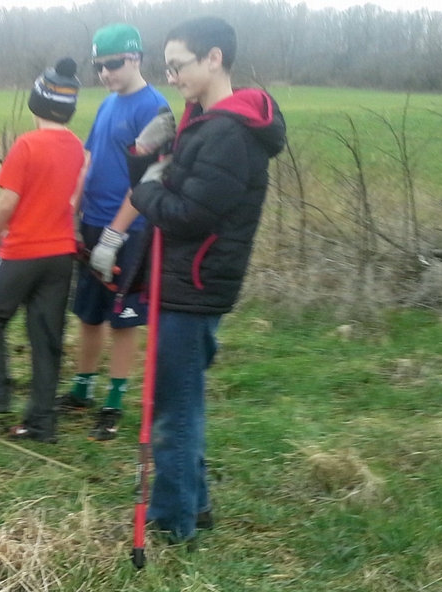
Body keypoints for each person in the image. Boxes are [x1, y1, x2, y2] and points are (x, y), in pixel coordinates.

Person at [129, 17, 286, 543]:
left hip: (192, 286)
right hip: (187, 280)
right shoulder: (205, 120)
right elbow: (176, 189)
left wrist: (143, 187)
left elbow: (188, 213)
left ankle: (173, 523)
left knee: (174, 410)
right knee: (183, 399)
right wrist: (148, 161)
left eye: (179, 65)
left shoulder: (228, 132)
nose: (171, 76)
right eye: (167, 66)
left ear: (214, 58)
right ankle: (193, 507)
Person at [58, 24, 171, 443]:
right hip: (91, 222)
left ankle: (114, 401)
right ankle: (82, 388)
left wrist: (113, 235)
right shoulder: (108, 104)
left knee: (122, 319)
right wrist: (74, 205)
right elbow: (89, 157)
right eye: (99, 67)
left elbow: (147, 182)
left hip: (130, 230)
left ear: (136, 58)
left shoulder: (154, 109)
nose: (105, 73)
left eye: (113, 64)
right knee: (88, 313)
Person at [0, 58, 86, 444]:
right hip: (61, 256)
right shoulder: (77, 148)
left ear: (37, 102)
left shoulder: (26, 145)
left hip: (20, 252)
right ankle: (41, 424)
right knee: (46, 340)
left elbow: (6, 203)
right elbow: (74, 201)